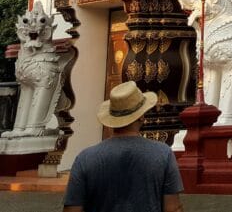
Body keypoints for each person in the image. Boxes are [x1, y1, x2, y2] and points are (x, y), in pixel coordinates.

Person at [63, 81, 184, 212]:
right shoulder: (163, 154)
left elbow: (72, 209)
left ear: (111, 119)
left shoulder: (85, 159)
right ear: (141, 116)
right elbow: (173, 208)